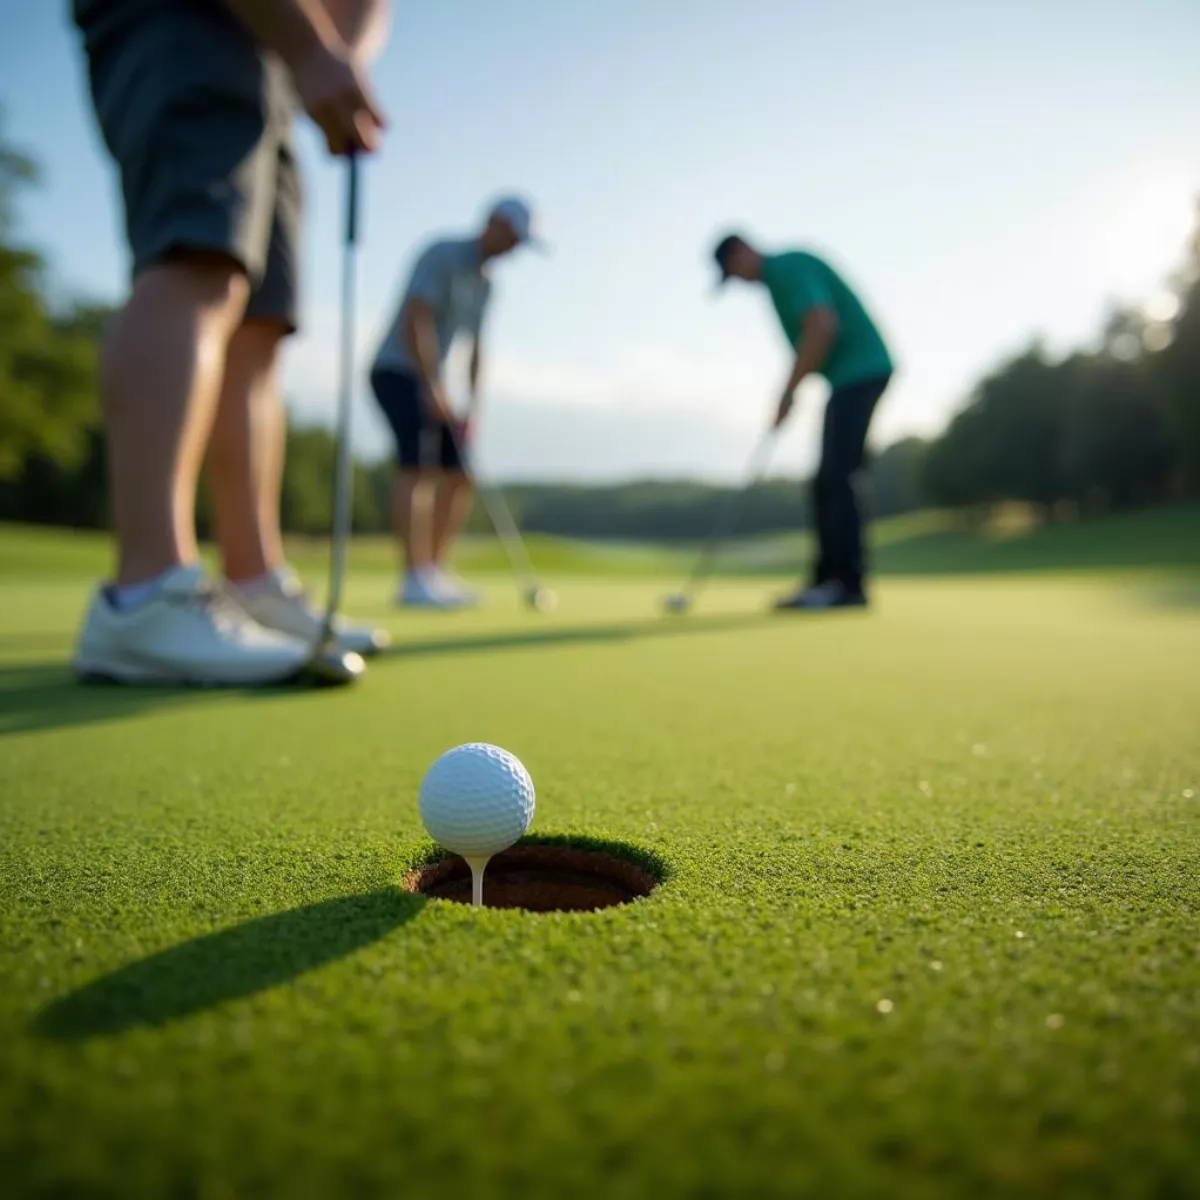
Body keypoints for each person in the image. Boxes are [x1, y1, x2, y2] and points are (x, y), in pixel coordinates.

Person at [70, 0, 391, 685]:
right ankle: (145, 593)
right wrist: (313, 49)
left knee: (259, 325)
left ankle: (253, 583)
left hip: (274, 55)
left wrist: (338, 53)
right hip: (187, 19)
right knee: (198, 263)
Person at [370, 198, 544, 608]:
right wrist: (430, 384)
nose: (515, 249)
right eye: (514, 238)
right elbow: (418, 317)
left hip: (438, 383)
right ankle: (413, 577)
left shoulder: (486, 283)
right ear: (493, 224)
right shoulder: (442, 253)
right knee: (418, 467)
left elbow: (477, 348)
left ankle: (434, 570)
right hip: (397, 370)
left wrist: (473, 410)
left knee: (459, 474)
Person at [713, 233, 894, 610]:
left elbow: (821, 325)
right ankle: (830, 579)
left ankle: (845, 584)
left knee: (836, 477)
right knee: (829, 479)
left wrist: (789, 390)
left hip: (861, 372)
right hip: (851, 376)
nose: (740, 283)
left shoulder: (787, 268)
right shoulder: (781, 276)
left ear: (742, 252)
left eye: (733, 271)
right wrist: (794, 388)